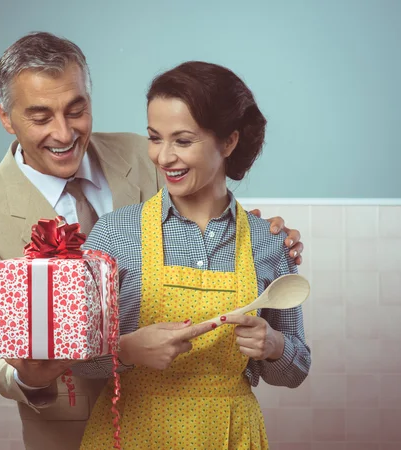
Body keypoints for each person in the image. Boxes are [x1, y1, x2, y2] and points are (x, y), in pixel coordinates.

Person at [0, 32, 305, 450]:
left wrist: (258, 237)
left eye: (76, 110)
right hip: (69, 420)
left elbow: (202, 205)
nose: (63, 133)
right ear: (6, 118)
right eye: (41, 118)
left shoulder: (145, 156)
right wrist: (30, 373)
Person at [75, 61, 311, 449]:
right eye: (155, 137)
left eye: (182, 141)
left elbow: (296, 370)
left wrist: (274, 346)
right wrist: (127, 349)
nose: (163, 157)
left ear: (228, 142)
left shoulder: (269, 242)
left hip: (232, 435)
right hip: (133, 433)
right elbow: (74, 357)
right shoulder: (115, 234)